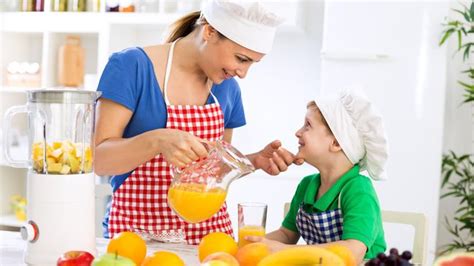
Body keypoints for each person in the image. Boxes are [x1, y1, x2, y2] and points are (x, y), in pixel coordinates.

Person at [94, 0, 302, 244]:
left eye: (251, 63)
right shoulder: (131, 67)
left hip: (209, 238)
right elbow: (98, 160)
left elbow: (210, 171)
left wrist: (253, 160)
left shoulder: (227, 88)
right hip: (137, 237)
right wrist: (157, 140)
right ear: (209, 31)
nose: (243, 73)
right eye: (241, 59)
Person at [247, 89, 388, 263]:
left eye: (308, 125)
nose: (298, 132)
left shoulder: (358, 190)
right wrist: (253, 245)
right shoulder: (307, 185)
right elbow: (286, 234)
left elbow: (353, 251)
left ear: (336, 142)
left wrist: (285, 251)